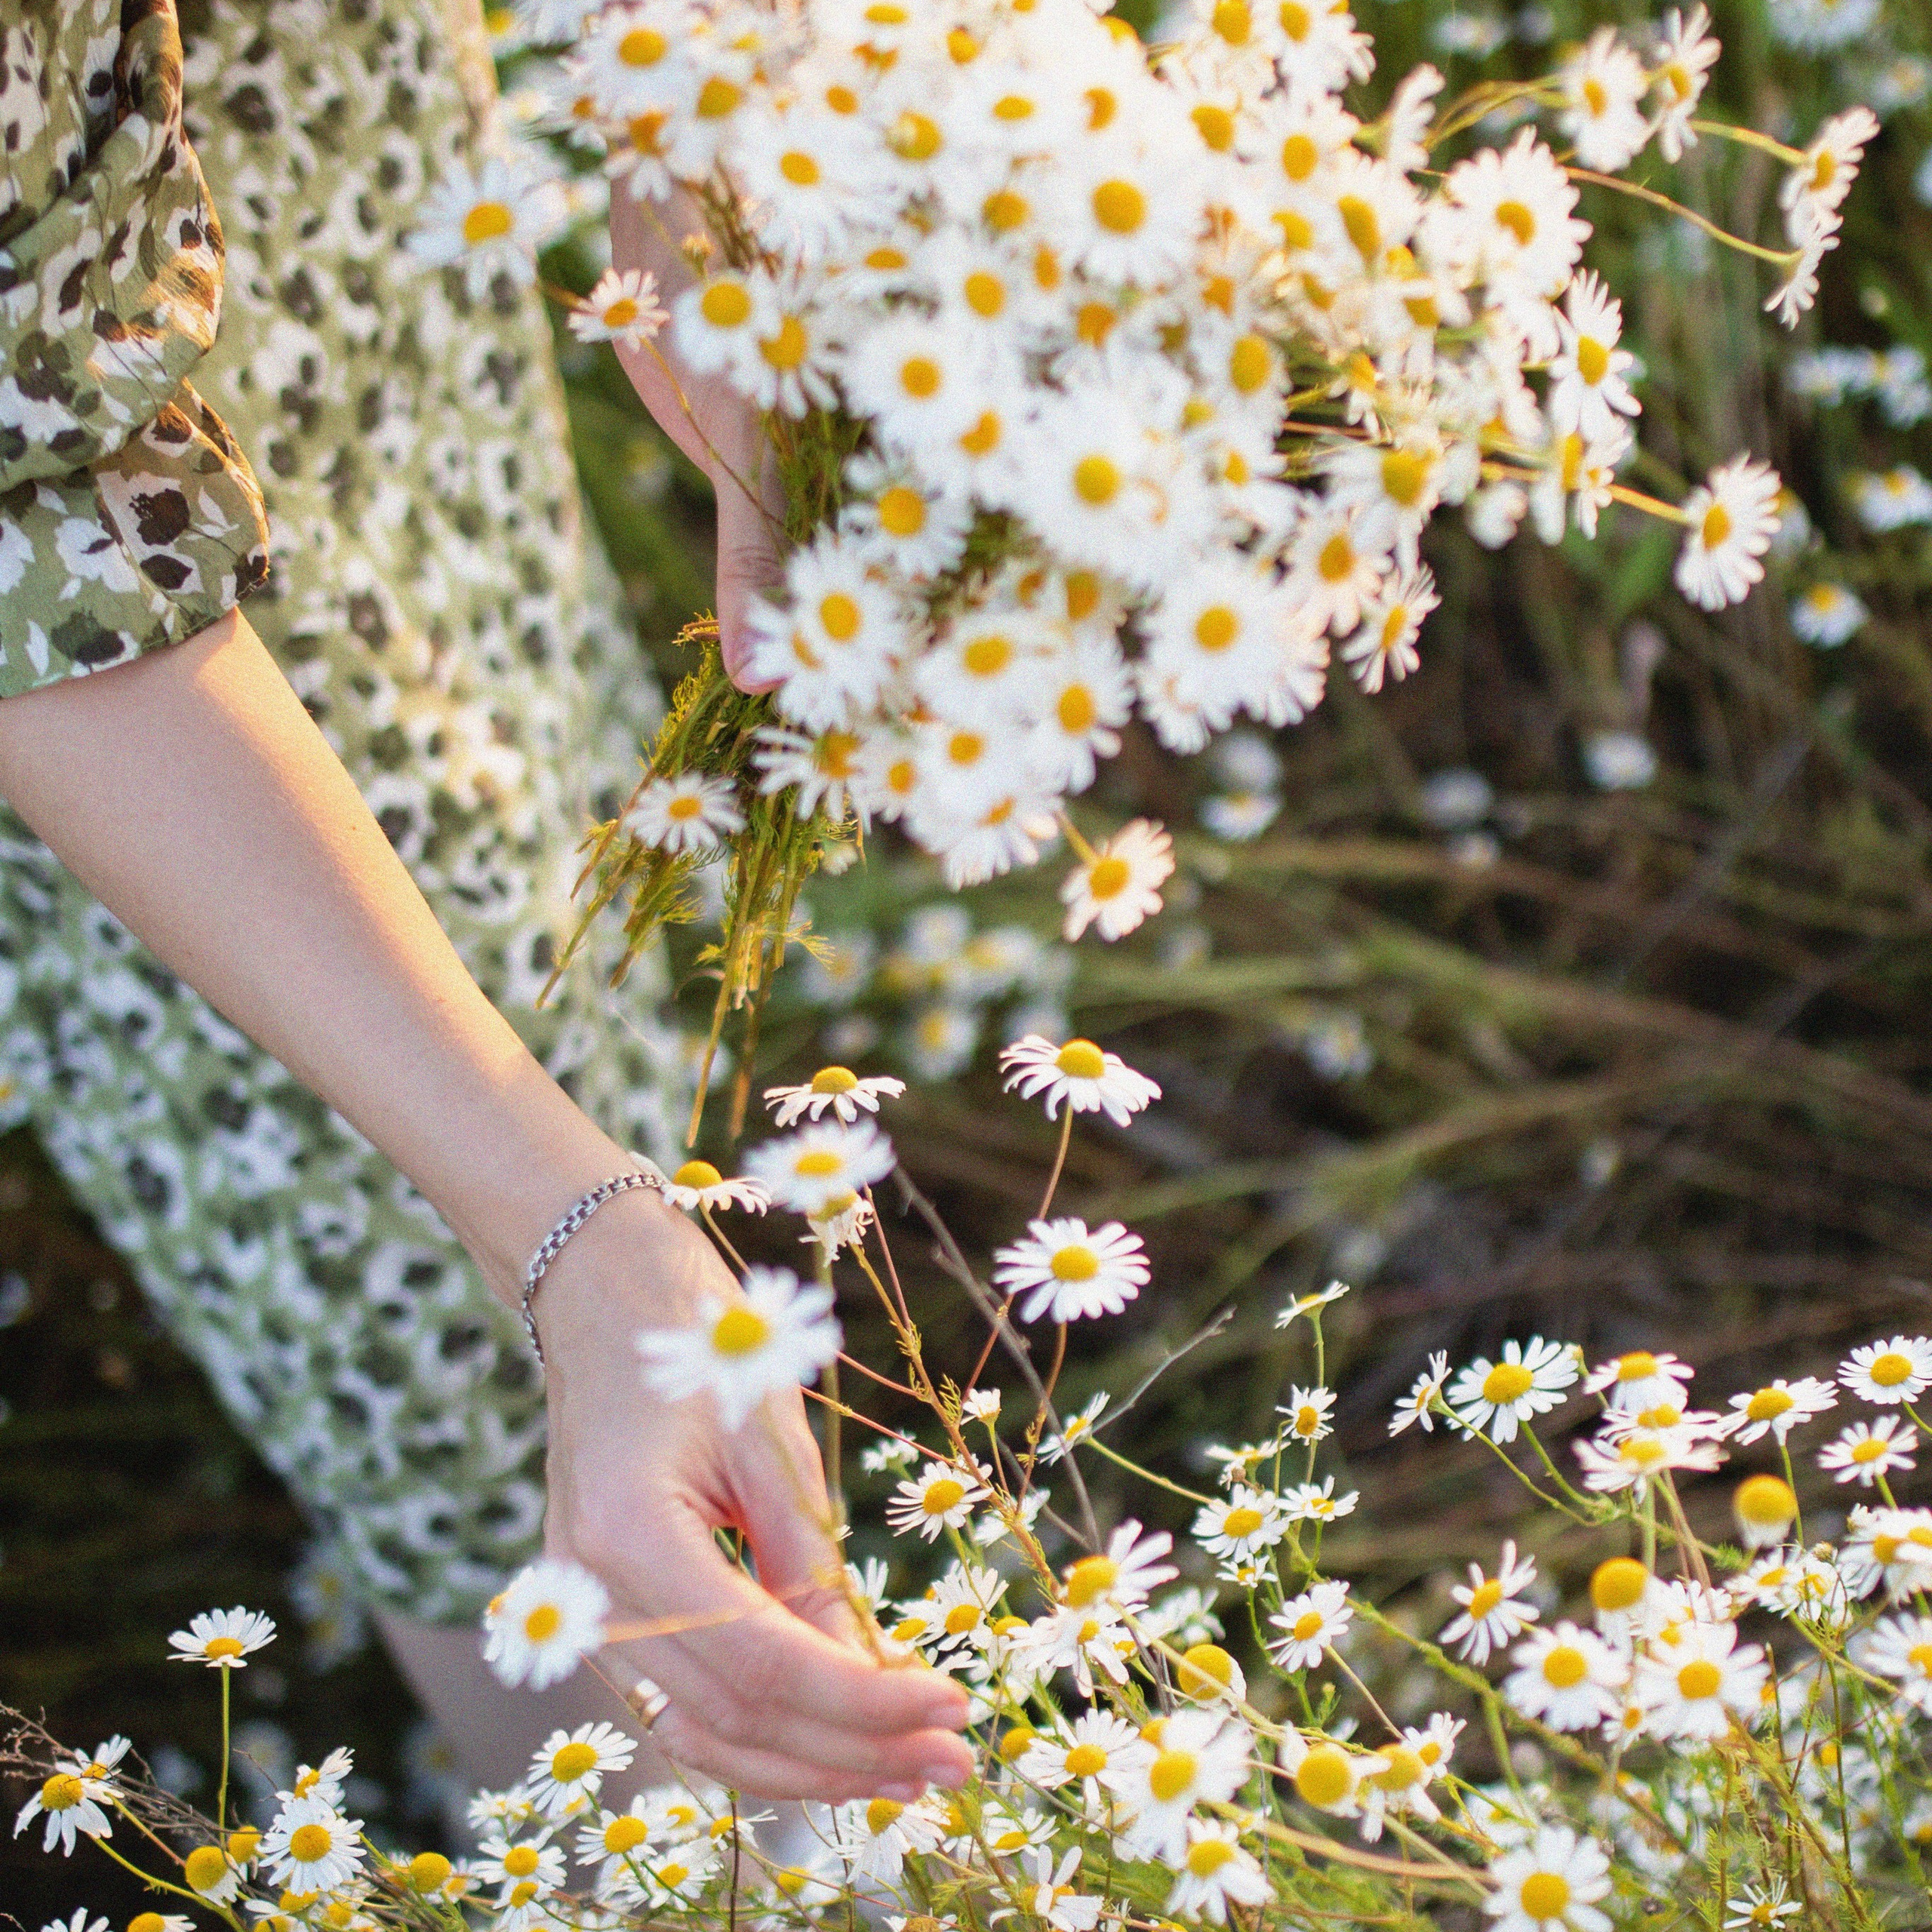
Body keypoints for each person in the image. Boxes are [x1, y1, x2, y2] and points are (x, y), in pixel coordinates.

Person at [0, 0, 970, 1803]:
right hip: (130, 744)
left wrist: (681, 110)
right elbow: (30, 538)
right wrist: (569, 1235)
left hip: (369, 299)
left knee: (568, 918)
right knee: (485, 1399)